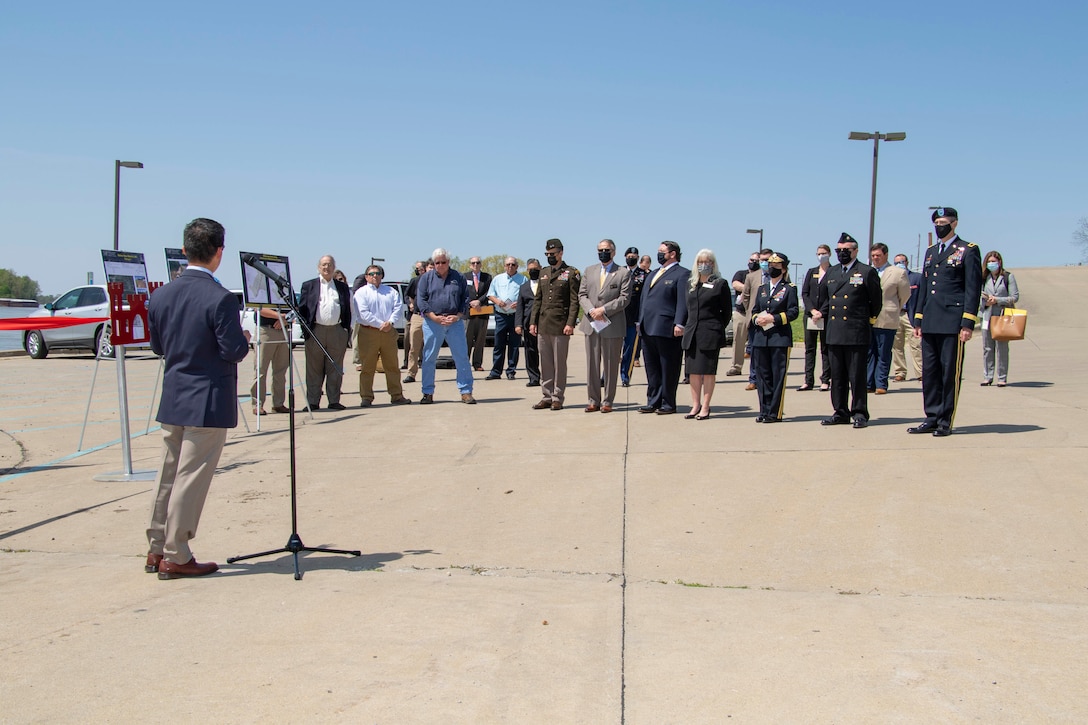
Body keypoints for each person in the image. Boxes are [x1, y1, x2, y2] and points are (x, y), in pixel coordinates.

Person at [146, 217, 250, 579]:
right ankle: (176, 552)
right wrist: (245, 338)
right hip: (206, 399)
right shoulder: (220, 298)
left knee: (168, 474)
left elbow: (158, 345)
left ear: (185, 250)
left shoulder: (160, 295)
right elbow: (233, 350)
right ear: (218, 252)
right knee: (190, 478)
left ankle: (156, 546)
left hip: (174, 395)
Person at [908, 207, 983, 436]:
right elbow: (924, 287)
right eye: (937, 222)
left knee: (948, 372)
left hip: (952, 321)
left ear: (954, 223)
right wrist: (918, 318)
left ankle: (945, 420)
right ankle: (931, 416)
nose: (939, 226)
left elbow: (972, 288)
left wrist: (967, 323)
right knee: (930, 372)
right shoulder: (931, 251)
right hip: (930, 320)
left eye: (943, 222)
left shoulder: (967, 250)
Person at [819, 233, 882, 429]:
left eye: (846, 250)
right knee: (837, 376)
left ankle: (860, 413)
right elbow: (825, 301)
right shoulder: (832, 272)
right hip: (835, 332)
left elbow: (876, 302)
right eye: (838, 251)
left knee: (857, 376)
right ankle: (840, 411)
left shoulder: (866, 271)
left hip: (856, 331)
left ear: (855, 251)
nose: (841, 254)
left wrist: (865, 321)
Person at [416, 248, 476, 404]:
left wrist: (457, 316)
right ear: (433, 263)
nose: (440, 265)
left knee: (462, 357)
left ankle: (466, 391)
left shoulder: (459, 277)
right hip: (432, 322)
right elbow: (421, 300)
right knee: (429, 358)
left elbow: (465, 299)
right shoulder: (425, 279)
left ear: (448, 262)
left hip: (454, 323)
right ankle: (427, 392)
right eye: (437, 262)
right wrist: (433, 317)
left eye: (443, 262)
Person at [578, 239, 632, 413]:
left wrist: (604, 309)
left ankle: (608, 401)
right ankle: (593, 400)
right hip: (592, 323)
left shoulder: (623, 273)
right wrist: (592, 310)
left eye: (606, 250)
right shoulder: (589, 270)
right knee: (592, 365)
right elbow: (582, 294)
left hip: (612, 325)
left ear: (614, 252)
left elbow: (624, 298)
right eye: (600, 250)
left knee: (610, 365)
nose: (603, 253)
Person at [638, 241, 689, 415]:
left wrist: (680, 323)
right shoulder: (653, 273)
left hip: (667, 327)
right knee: (652, 368)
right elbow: (644, 299)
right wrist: (640, 321)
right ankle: (653, 400)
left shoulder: (682, 274)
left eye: (662, 251)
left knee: (669, 367)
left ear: (672, 254)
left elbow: (683, 301)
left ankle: (668, 403)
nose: (659, 254)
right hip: (647, 327)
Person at [529, 239, 581, 410]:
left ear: (561, 253)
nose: (550, 257)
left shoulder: (570, 273)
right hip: (543, 324)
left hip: (560, 325)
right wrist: (533, 322)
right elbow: (538, 300)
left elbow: (574, 301)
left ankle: (557, 396)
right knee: (546, 363)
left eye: (552, 254)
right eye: (547, 254)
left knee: (559, 363)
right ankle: (546, 395)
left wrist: (570, 323)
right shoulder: (544, 272)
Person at [681, 249, 731, 419]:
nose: (704, 265)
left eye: (708, 261)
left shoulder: (720, 283)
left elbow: (727, 312)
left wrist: (715, 327)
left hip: (710, 333)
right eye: (700, 262)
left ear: (713, 264)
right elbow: (687, 309)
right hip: (692, 333)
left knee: (708, 372)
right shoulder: (690, 284)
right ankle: (695, 405)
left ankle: (706, 406)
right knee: (693, 372)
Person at [750, 252, 799, 422]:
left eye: (776, 266)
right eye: (770, 265)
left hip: (780, 337)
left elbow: (793, 312)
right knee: (763, 376)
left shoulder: (790, 288)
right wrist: (758, 319)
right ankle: (764, 410)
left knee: (777, 375)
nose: (772, 268)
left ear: (783, 268)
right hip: (761, 338)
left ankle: (775, 412)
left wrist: (774, 318)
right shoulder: (762, 289)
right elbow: (755, 310)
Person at [353, 265, 412, 407]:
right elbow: (363, 313)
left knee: (392, 365)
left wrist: (390, 322)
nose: (375, 276)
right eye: (371, 273)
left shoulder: (390, 292)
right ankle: (366, 397)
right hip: (368, 332)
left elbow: (397, 308)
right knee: (367, 367)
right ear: (366, 276)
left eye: (378, 273)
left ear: (382, 275)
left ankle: (396, 395)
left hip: (388, 332)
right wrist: (381, 324)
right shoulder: (361, 293)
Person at [299, 255, 352, 411]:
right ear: (318, 267)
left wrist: (345, 330)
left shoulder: (341, 287)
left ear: (334, 267)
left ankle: (334, 400)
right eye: (323, 265)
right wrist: (306, 330)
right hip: (315, 330)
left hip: (336, 331)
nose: (326, 267)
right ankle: (313, 402)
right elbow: (302, 309)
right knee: (314, 368)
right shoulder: (309, 285)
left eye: (329, 264)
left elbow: (347, 309)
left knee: (335, 368)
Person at [866, 243, 911, 395]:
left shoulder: (897, 272)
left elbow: (905, 294)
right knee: (870, 352)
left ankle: (881, 383)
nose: (875, 258)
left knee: (883, 352)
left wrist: (895, 307)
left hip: (887, 317)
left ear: (885, 255)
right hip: (869, 318)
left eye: (878, 255)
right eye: (873, 256)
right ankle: (869, 382)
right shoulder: (867, 271)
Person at [980, 250, 1019, 387]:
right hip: (987, 316)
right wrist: (986, 302)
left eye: (994, 261)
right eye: (989, 262)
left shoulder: (1008, 277)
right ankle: (987, 376)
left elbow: (1014, 297)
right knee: (987, 348)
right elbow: (977, 297)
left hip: (1002, 316)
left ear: (999, 262)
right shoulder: (984, 278)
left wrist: (997, 300)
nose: (991, 264)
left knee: (1002, 348)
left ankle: (1002, 377)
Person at [485, 257, 526, 380]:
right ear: (504, 266)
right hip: (501, 315)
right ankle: (496, 372)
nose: (510, 266)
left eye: (513, 264)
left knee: (514, 345)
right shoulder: (498, 279)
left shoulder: (523, 279)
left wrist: (519, 303)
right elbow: (490, 294)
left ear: (517, 266)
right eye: (508, 264)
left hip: (515, 316)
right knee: (499, 344)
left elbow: (527, 296)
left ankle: (511, 371)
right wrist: (497, 301)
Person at [739, 248, 775, 390]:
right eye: (762, 260)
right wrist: (752, 313)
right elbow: (746, 297)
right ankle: (753, 379)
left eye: (767, 260)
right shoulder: (752, 276)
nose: (764, 263)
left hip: (772, 319)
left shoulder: (780, 275)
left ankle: (768, 379)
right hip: (755, 319)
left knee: (770, 351)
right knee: (755, 350)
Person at [799, 245, 832, 392]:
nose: (821, 256)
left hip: (826, 316)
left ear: (829, 254)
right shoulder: (811, 272)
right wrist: (812, 311)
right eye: (819, 253)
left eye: (824, 253)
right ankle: (808, 380)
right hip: (810, 316)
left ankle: (825, 380)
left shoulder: (834, 272)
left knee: (825, 348)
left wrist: (821, 312)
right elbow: (805, 293)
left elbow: (833, 295)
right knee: (809, 349)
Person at [249, 306, 291, 415]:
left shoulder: (286, 288)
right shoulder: (261, 288)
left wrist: (285, 319)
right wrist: (280, 316)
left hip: (284, 330)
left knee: (280, 371)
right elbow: (258, 308)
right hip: (265, 330)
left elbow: (294, 308)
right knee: (260, 370)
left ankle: (278, 404)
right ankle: (258, 405)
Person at [726, 252, 760, 377]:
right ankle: (736, 367)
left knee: (757, 342)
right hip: (741, 312)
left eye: (757, 260)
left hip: (757, 314)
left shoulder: (762, 276)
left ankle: (757, 369)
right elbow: (735, 284)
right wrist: (750, 286)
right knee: (738, 341)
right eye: (752, 260)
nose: (754, 262)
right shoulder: (741, 273)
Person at [891, 253, 924, 382]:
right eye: (896, 262)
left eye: (902, 261)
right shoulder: (892, 278)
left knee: (916, 344)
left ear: (907, 263)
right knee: (897, 345)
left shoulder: (916, 278)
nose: (899, 264)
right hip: (896, 314)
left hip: (911, 315)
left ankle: (920, 372)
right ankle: (900, 372)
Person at [620, 246, 647, 387]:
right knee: (612, 350)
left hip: (634, 318)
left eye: (634, 256)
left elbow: (644, 298)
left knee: (629, 350)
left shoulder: (644, 274)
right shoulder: (618, 272)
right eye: (629, 255)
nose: (631, 258)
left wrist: (640, 319)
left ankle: (625, 376)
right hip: (618, 317)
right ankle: (606, 376)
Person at [514, 258, 542, 387]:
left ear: (540, 268)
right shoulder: (524, 287)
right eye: (531, 270)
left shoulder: (546, 284)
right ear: (527, 270)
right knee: (530, 351)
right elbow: (520, 307)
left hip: (544, 323)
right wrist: (518, 324)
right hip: (527, 323)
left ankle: (548, 377)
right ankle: (533, 377)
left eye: (535, 269)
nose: (533, 271)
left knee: (545, 351)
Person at [465, 256, 492, 371]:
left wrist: (479, 301)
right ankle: (465, 364)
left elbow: (489, 292)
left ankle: (477, 363)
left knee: (480, 339)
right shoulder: (464, 277)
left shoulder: (487, 277)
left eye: (478, 262)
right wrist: (470, 302)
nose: (475, 264)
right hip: (469, 312)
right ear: (470, 265)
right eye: (473, 263)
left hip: (482, 312)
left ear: (481, 264)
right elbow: (461, 292)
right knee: (467, 339)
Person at [402, 260, 428, 384]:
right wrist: (411, 304)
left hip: (433, 317)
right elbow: (407, 295)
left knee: (430, 347)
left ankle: (429, 373)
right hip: (418, 316)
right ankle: (411, 373)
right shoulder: (415, 281)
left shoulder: (438, 282)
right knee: (414, 346)